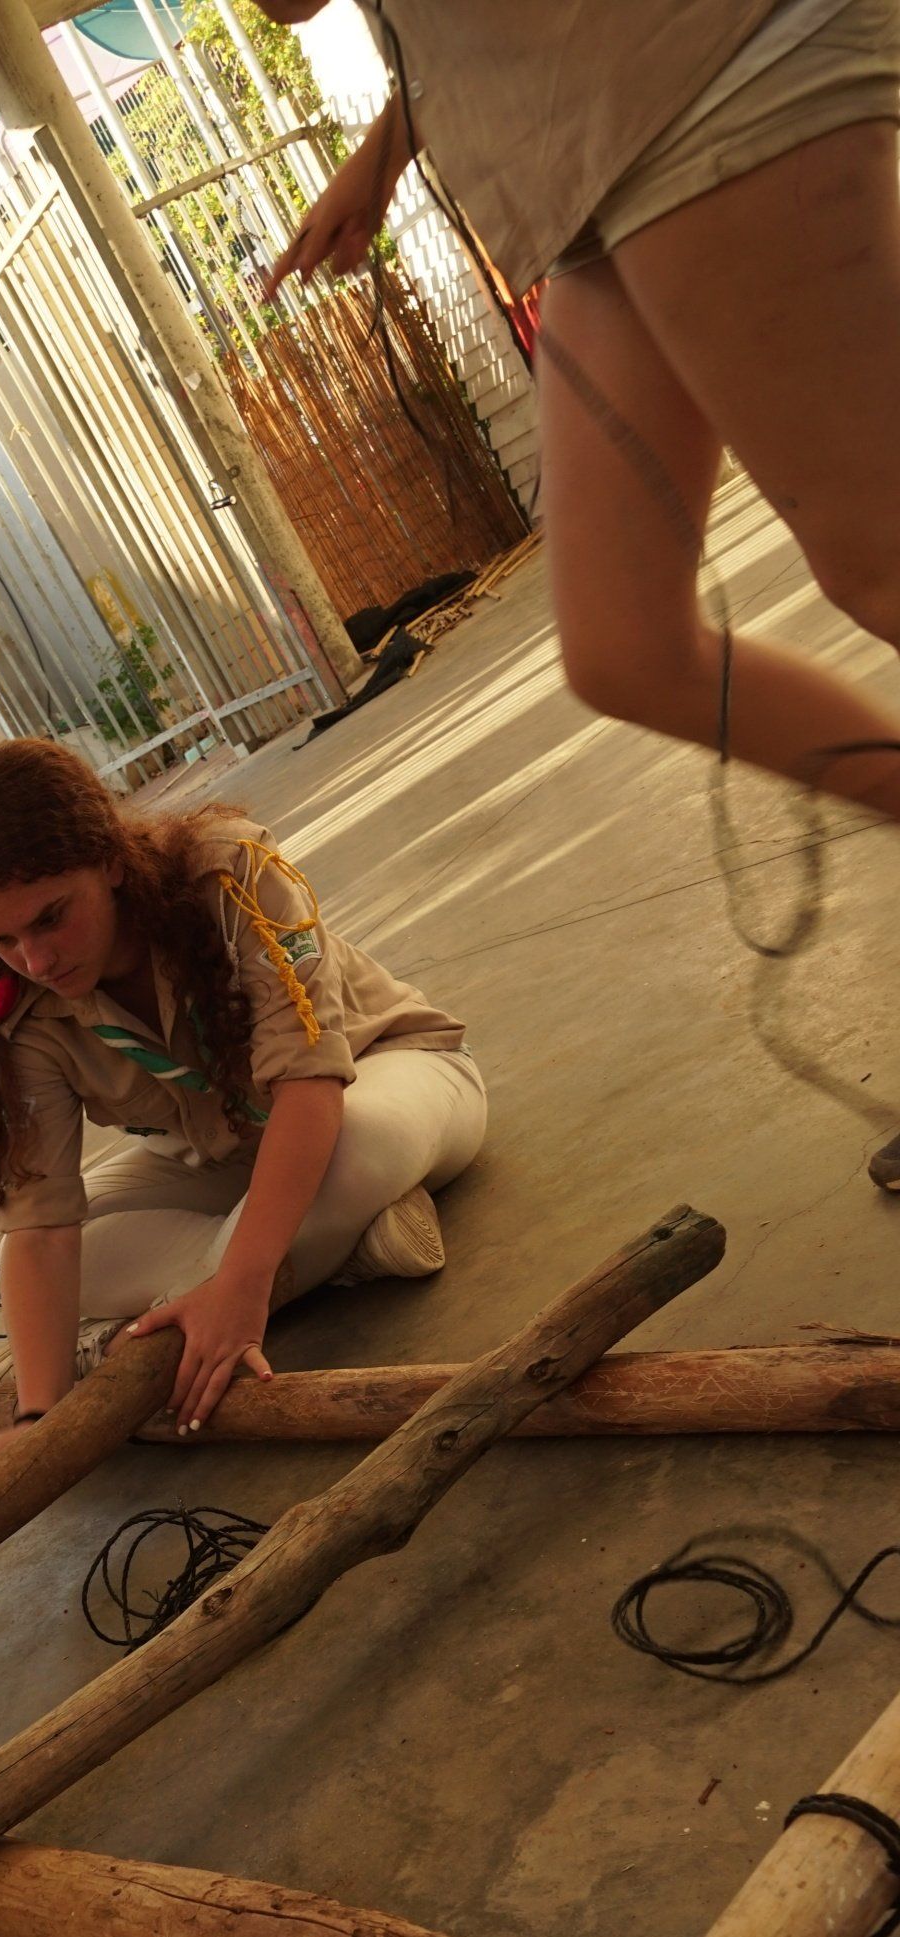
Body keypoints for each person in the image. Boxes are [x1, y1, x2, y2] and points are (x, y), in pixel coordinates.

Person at [262, 0, 900, 1178]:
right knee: (625, 648)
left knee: (881, 560)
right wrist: (390, 145)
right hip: (589, 167)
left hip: (691, 77)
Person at [0, 739, 485, 1475]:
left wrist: (240, 1283)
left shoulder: (232, 875)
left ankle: (229, 1283)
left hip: (385, 1083)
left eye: (51, 918)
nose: (35, 961)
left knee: (352, 1144)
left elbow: (311, 1091)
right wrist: (39, 1416)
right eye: (2, 939)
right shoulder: (14, 1007)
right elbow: (40, 1227)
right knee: (32, 1264)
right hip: (221, 1159)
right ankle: (347, 1248)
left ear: (109, 859)